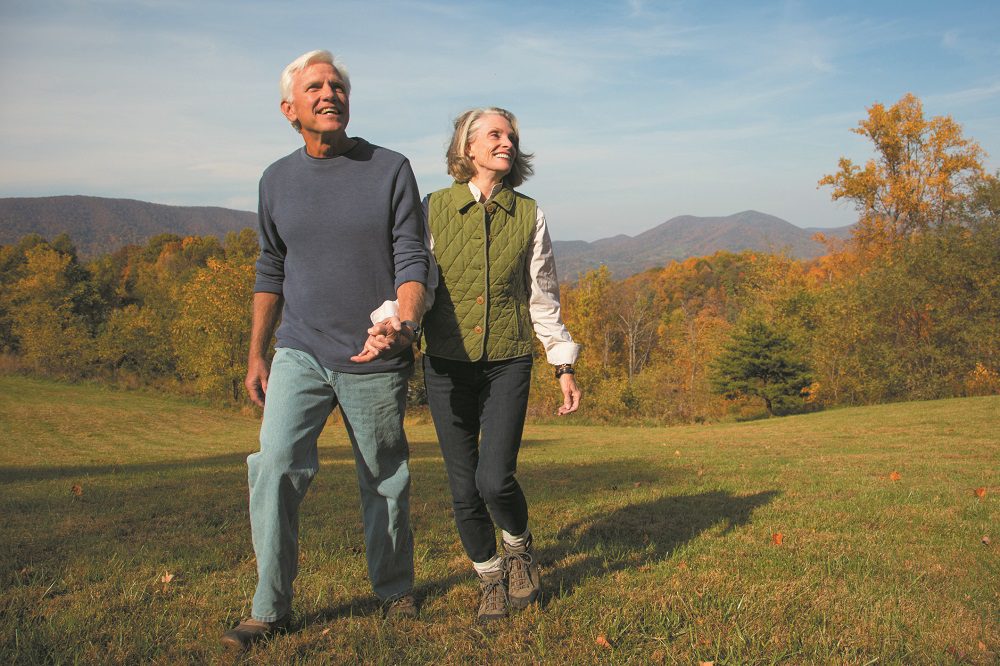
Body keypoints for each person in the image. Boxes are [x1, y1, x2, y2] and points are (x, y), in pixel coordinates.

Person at [221, 49, 429, 652]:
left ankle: (393, 591)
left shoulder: (390, 168)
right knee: (276, 465)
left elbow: (412, 257)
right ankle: (269, 607)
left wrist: (404, 320)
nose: (328, 93)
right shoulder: (275, 180)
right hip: (300, 348)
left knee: (385, 477)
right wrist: (257, 352)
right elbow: (271, 265)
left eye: (336, 85)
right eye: (314, 87)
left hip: (375, 353)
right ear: (291, 110)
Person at [364, 107, 581, 623]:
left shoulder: (530, 214)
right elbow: (414, 277)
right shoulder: (432, 207)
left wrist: (563, 363)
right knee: (462, 487)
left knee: (494, 481)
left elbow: (542, 298)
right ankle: (490, 577)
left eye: (511, 136)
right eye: (494, 135)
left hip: (508, 361)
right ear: (468, 148)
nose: (506, 142)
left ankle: (520, 548)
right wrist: (392, 320)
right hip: (445, 363)